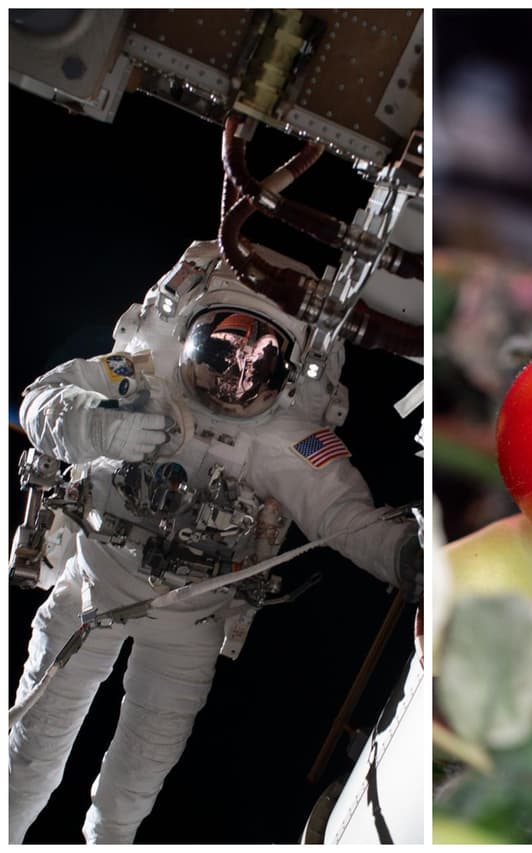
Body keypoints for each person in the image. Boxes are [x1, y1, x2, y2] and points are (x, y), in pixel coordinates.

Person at [9, 241, 422, 843]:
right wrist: (99, 426)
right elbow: (41, 399)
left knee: (130, 791)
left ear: (287, 371)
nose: (238, 374)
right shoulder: (139, 377)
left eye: (261, 361)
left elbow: (344, 515)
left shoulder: (288, 440)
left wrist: (408, 557)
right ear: (189, 333)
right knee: (29, 753)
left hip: (188, 629)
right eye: (223, 350)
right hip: (89, 592)